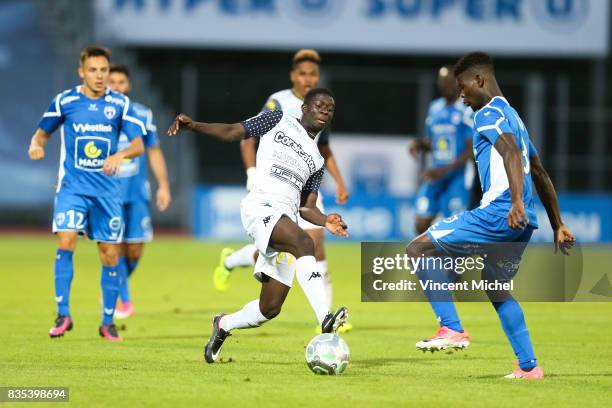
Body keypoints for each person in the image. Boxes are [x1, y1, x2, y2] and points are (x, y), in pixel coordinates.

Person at [405, 52, 575, 379]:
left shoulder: (487, 113)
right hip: (522, 223)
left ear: (479, 80)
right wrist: (558, 223)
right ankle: (529, 366)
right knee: (496, 287)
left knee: (416, 249)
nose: (462, 95)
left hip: (500, 213)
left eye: (464, 87)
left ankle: (451, 328)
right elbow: (538, 170)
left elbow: (510, 152)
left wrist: (514, 202)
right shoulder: (514, 116)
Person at [167, 88, 349, 363]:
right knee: (304, 243)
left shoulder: (317, 161)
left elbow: (306, 207)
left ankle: (223, 325)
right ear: (304, 108)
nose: (325, 111)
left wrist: (326, 221)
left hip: (285, 217)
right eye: (320, 105)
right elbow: (232, 132)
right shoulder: (277, 119)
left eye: (330, 109)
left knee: (269, 308)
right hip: (260, 207)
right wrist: (194, 126)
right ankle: (325, 317)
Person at [213, 50, 351, 332]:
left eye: (313, 74)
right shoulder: (279, 104)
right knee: (301, 243)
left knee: (273, 302)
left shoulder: (322, 108)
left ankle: (225, 318)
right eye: (302, 74)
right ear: (293, 76)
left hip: (301, 183)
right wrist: (251, 171)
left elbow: (323, 149)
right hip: (271, 185)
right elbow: (247, 135)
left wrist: (339, 181)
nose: (308, 79)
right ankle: (325, 317)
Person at [29, 46, 146, 342]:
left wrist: (120, 155)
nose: (99, 76)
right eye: (93, 70)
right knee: (66, 240)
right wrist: (37, 145)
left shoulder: (119, 104)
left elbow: (138, 145)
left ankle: (107, 322)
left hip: (106, 193)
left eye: (104, 70)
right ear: (81, 72)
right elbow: (42, 132)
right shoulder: (65, 101)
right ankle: (63, 314)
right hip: (72, 189)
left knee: (109, 255)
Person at [108, 64, 172, 319]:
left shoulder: (142, 114)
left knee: (134, 250)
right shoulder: (98, 115)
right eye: (111, 81)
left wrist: (164, 185)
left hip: (136, 193)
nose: (116, 86)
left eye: (121, 82)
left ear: (129, 85)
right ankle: (123, 301)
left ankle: (112, 284)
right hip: (108, 192)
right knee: (114, 247)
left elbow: (153, 150)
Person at [409, 65, 473, 235]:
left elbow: (470, 150)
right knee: (420, 223)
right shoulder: (435, 108)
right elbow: (435, 142)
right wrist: (420, 144)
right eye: (441, 82)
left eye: (448, 81)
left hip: (457, 176)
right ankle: (425, 261)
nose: (444, 85)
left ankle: (456, 260)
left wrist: (443, 170)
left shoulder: (465, 109)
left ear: (458, 83)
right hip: (435, 174)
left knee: (454, 230)